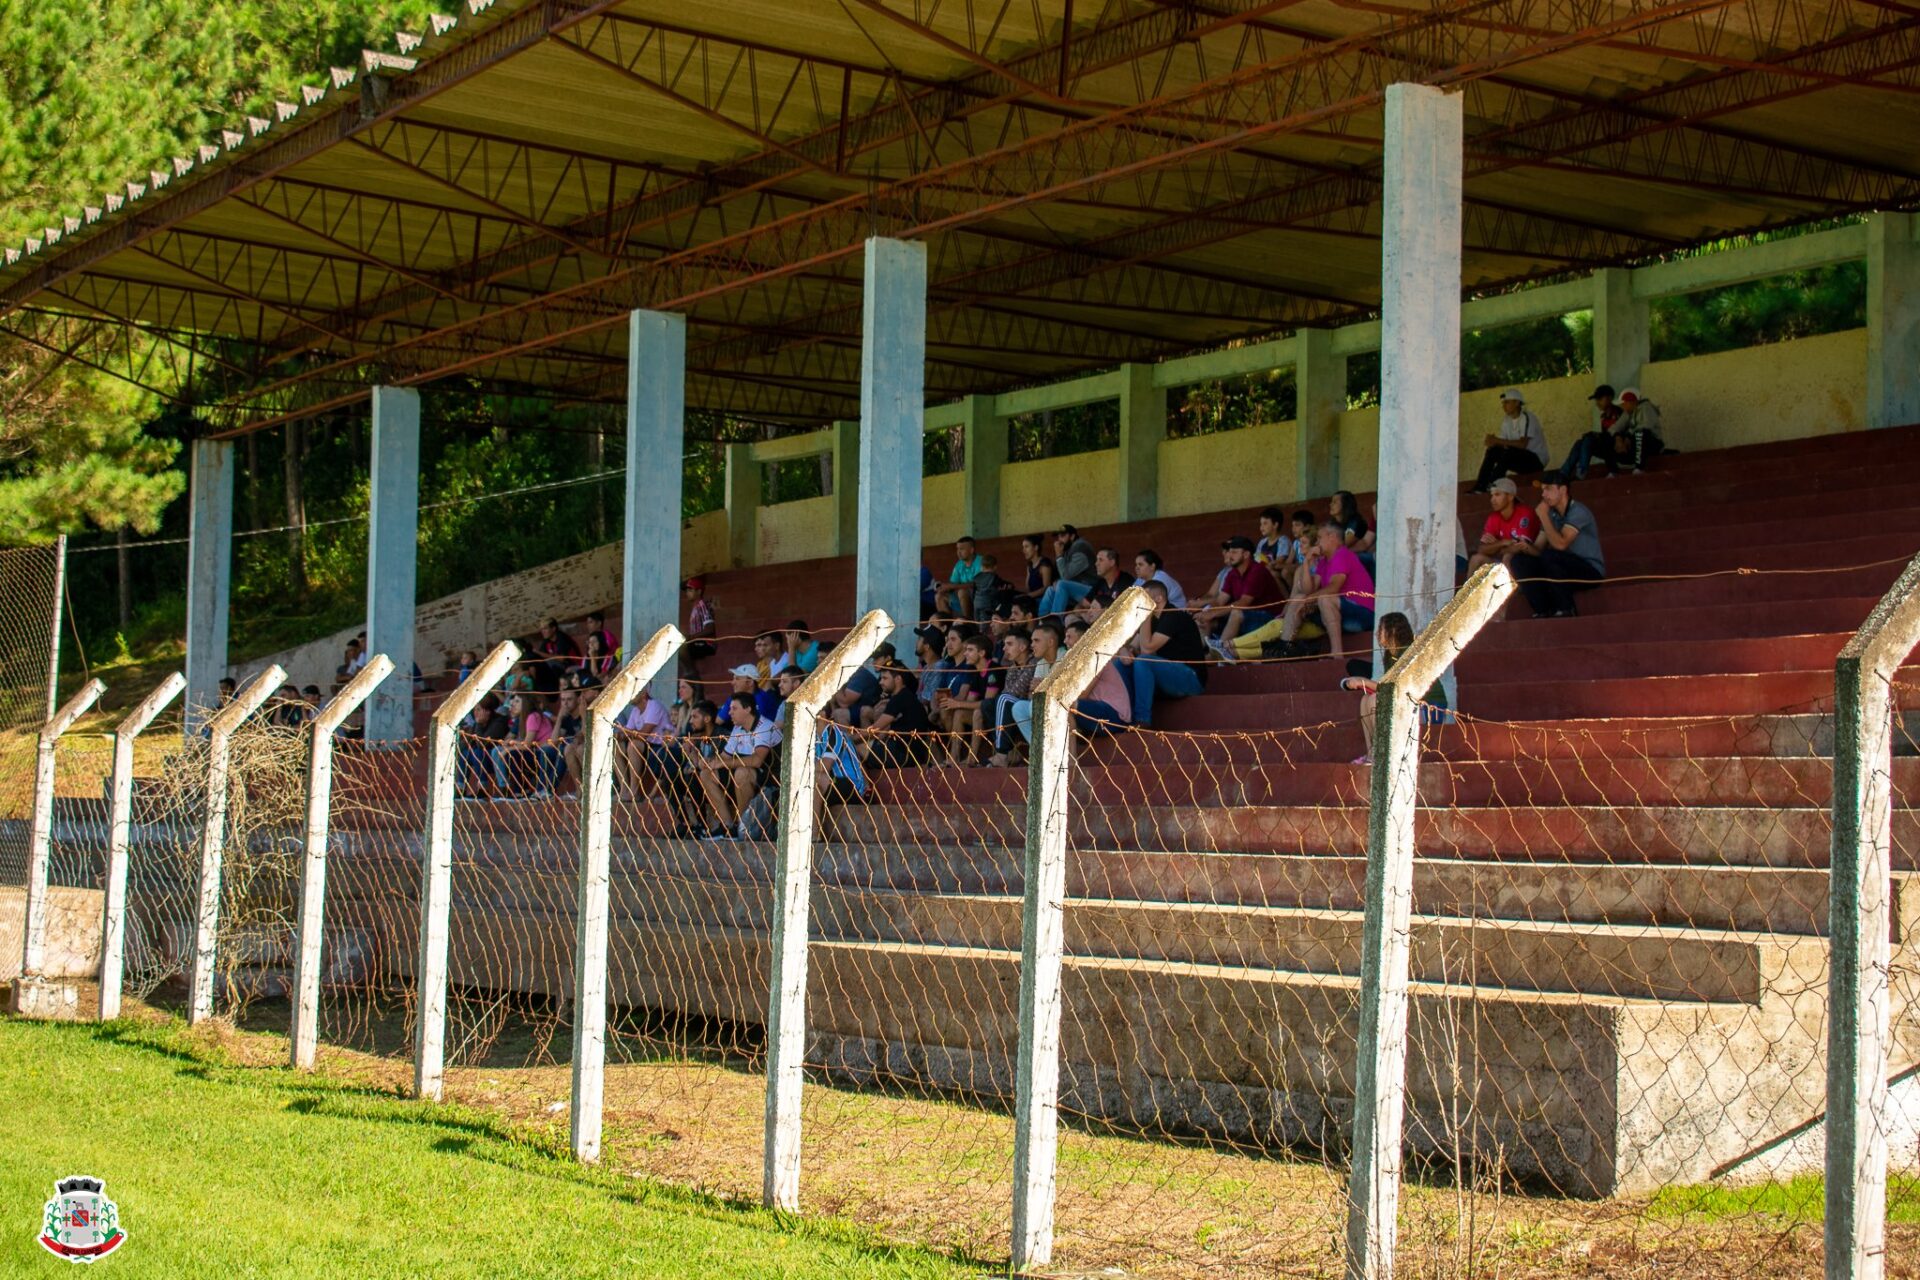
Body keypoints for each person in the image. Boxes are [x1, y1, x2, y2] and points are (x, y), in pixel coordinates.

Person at [1339, 612, 1451, 765]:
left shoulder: (1408, 653)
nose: (1377, 633)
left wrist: (1363, 681)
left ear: (1393, 631)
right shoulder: (1390, 655)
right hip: (1410, 704)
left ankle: (1383, 752)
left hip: (1430, 709)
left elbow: (1396, 688)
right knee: (1366, 699)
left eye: (1381, 629)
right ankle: (1372, 753)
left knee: (1375, 700)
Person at [1270, 521, 1376, 660]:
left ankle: (1336, 652)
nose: (1317, 542)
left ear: (1331, 537)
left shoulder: (1342, 554)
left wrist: (1309, 599)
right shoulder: (1324, 561)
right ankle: (1285, 647)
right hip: (1340, 614)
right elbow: (1309, 589)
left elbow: (1334, 587)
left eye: (1320, 538)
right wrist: (1307, 562)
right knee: (1300, 597)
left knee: (1324, 598)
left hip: (1362, 615)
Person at [1509, 469, 1605, 618]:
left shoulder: (1578, 511)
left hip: (1589, 570)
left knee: (1551, 555)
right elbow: (1539, 550)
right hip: (1561, 570)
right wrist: (1525, 547)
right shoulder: (1552, 514)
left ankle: (1567, 608)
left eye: (1548, 489)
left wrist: (1543, 516)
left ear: (1563, 489)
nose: (1543, 495)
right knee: (1519, 561)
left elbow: (1560, 545)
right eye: (1542, 490)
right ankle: (1542, 610)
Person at [1122, 580, 1206, 728]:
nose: (1139, 602)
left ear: (1158, 599)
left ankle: (1142, 720)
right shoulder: (1153, 620)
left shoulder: (1173, 616)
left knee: (1143, 661)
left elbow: (1147, 649)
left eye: (1143, 597)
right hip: (1169, 677)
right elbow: (1133, 646)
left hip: (1191, 678)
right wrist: (1125, 651)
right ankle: (1121, 718)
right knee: (1120, 663)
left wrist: (1145, 615)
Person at [696, 691, 781, 839]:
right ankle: (728, 826)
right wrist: (710, 762)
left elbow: (757, 760)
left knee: (742, 772)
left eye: (734, 709)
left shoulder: (765, 726)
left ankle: (744, 826)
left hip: (771, 779)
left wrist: (721, 764)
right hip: (749, 774)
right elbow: (724, 756)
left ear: (748, 709)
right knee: (706, 774)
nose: (729, 713)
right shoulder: (737, 728)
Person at [1198, 536, 1281, 658]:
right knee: (1204, 619)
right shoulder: (1233, 573)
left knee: (1236, 613)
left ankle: (1219, 656)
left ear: (1246, 554)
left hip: (1269, 619)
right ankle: (1199, 657)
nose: (1230, 556)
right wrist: (1206, 612)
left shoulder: (1257, 570)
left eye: (1235, 552)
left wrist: (1214, 613)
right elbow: (1220, 600)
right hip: (1247, 618)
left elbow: (1244, 602)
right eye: (1229, 552)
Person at [1062, 617, 1131, 736]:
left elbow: (1082, 694)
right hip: (1096, 711)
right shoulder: (1076, 662)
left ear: (1083, 639)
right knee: (1062, 705)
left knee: (1065, 703)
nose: (1064, 641)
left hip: (1115, 716)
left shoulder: (1096, 657)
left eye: (1069, 637)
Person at [1471, 388, 1548, 493]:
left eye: (1507, 402)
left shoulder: (1526, 417)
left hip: (1536, 461)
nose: (1504, 406)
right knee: (1493, 450)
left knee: (1508, 453)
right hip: (1518, 458)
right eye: (1503, 403)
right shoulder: (1506, 420)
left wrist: (1497, 440)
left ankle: (1493, 484)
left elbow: (1522, 444)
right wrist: (1494, 443)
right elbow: (1504, 445)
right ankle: (1480, 486)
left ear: (1517, 403)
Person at [666, 699, 722, 837]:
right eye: (690, 716)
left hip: (719, 783)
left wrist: (694, 755)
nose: (691, 721)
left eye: (695, 717)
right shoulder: (696, 737)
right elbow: (691, 767)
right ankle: (686, 823)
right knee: (669, 778)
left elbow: (711, 765)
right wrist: (691, 754)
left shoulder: (720, 735)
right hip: (700, 779)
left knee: (693, 777)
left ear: (707, 718)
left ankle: (702, 826)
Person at [1005, 621, 1063, 749]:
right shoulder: (1041, 663)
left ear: (1051, 642)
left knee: (1036, 705)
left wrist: (1044, 686)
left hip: (1064, 707)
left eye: (1036, 641)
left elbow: (1065, 692)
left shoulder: (1065, 657)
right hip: (1045, 706)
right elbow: (1032, 694)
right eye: (1032, 641)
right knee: (1019, 707)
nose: (1032, 645)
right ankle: (1040, 749)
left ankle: (1049, 748)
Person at [936, 634, 992, 765]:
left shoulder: (993, 670)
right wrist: (956, 705)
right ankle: (954, 756)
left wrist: (957, 703)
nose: (965, 653)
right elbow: (971, 699)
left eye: (970, 650)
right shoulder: (976, 671)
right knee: (959, 712)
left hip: (993, 715)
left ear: (982, 653)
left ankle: (972, 758)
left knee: (976, 712)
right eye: (966, 650)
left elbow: (988, 704)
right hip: (983, 712)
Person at [1466, 478, 1541, 573]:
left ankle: (1515, 588)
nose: (1492, 500)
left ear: (1510, 497)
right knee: (1475, 559)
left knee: (1508, 556)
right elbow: (1482, 549)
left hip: (1526, 562)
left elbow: (1518, 548)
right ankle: (1466, 588)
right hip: (1502, 560)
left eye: (1497, 495)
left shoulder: (1525, 513)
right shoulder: (1493, 518)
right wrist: (1502, 542)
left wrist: (1495, 547)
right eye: (1491, 495)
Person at [867, 661, 934, 768]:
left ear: (898, 679)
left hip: (904, 755)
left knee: (855, 747)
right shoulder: (905, 696)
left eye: (885, 678)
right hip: (910, 754)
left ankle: (863, 783)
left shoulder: (899, 699)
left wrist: (849, 738)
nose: (880, 682)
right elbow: (881, 734)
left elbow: (874, 729)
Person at [494, 692, 558, 797]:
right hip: (537, 750)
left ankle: (520, 790)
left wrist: (508, 749)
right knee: (507, 752)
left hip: (544, 753)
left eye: (517, 701)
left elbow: (527, 745)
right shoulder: (526, 717)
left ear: (525, 704)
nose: (513, 704)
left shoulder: (533, 716)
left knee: (512, 755)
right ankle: (511, 789)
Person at [987, 630, 1036, 765]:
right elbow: (1009, 691)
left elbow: (1016, 690)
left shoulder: (1034, 662)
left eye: (1009, 644)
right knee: (988, 705)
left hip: (1027, 705)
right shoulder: (1013, 667)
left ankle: (1001, 753)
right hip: (1017, 703)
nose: (1004, 648)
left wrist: (1009, 695)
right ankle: (1008, 750)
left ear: (1022, 647)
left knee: (1003, 700)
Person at [1560, 384, 1626, 480]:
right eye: (1597, 400)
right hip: (1607, 448)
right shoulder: (1603, 416)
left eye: (1600, 399)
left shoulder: (1618, 412)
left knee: (1589, 440)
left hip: (1617, 447)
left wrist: (1595, 435)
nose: (1597, 403)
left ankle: (1581, 473)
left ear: (1610, 398)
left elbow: (1616, 434)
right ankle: (1564, 473)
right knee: (1580, 443)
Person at [618, 685, 674, 797]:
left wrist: (626, 732)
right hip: (646, 745)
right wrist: (621, 734)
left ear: (644, 694)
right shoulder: (635, 710)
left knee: (634, 745)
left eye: (633, 692)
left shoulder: (654, 706)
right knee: (616, 746)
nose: (629, 695)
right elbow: (625, 733)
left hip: (659, 745)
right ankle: (624, 788)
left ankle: (634, 791)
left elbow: (644, 733)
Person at [455, 693, 511, 796]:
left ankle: (483, 788)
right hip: (480, 759)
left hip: (495, 759)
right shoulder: (477, 723)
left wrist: (479, 725)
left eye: (478, 709)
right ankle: (460, 788)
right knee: (465, 753)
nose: (475, 712)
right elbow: (467, 743)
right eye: (475, 709)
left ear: (488, 711)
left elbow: (482, 744)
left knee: (478, 752)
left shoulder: (499, 721)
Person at [1036, 525, 1098, 618]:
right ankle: (1042, 623)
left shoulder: (1081, 547)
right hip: (1076, 589)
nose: (1059, 540)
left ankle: (1056, 622)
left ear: (1072, 536)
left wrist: (1059, 556)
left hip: (1091, 589)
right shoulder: (1068, 548)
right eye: (1058, 536)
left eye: (1063, 536)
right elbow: (1064, 576)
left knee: (1062, 584)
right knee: (1051, 589)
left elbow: (1066, 576)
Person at [1614, 388, 1665, 474]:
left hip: (1653, 443)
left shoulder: (1646, 408)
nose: (1623, 406)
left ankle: (1639, 468)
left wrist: (1629, 435)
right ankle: (1624, 462)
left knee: (1640, 434)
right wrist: (1618, 438)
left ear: (1631, 402)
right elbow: (1616, 427)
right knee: (1613, 439)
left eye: (1624, 403)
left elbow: (1646, 426)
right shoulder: (1629, 412)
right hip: (1637, 443)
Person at [932, 536, 985, 617]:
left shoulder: (981, 561)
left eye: (962, 549)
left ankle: (966, 623)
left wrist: (953, 586)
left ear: (971, 550)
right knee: (939, 596)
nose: (958, 552)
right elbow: (953, 583)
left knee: (962, 592)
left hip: (978, 597)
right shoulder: (959, 564)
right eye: (957, 549)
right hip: (962, 598)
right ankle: (946, 625)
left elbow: (977, 584)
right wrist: (945, 588)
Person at [680, 577, 717, 677]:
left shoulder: (702, 605)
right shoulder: (695, 607)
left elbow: (710, 628)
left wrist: (691, 637)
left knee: (680, 646)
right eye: (687, 590)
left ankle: (692, 673)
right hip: (697, 643)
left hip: (706, 644)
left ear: (699, 591)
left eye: (690, 590)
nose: (687, 592)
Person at [533, 617, 579, 694]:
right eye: (541, 629)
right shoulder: (546, 642)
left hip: (573, 666)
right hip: (561, 668)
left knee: (550, 663)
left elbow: (562, 659)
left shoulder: (562, 638)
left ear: (553, 628)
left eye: (545, 629)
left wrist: (538, 653)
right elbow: (540, 657)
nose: (543, 632)